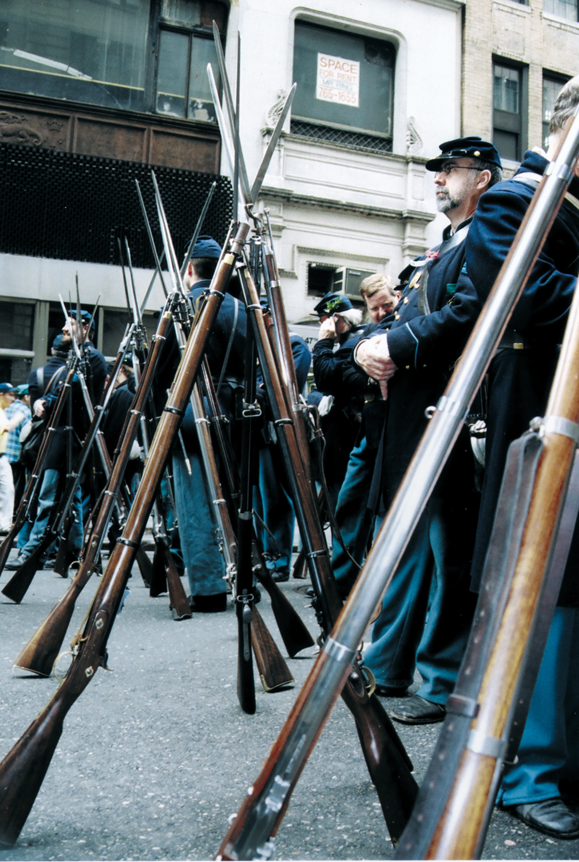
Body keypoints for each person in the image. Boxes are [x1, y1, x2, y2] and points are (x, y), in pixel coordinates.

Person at [464, 79, 579, 839]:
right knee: (545, 588)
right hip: (541, 407)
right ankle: (526, 770)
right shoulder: (516, 199)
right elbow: (518, 294)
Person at [354, 137, 502, 722]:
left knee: (449, 555)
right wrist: (375, 346)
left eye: (450, 170)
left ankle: (441, 681)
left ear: (482, 179)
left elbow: (465, 314)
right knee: (410, 550)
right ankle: (388, 662)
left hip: (450, 412)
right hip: (414, 419)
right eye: (437, 170)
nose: (438, 178)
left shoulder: (485, 238)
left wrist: (390, 343)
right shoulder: (444, 246)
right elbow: (416, 315)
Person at [168, 235, 246, 612]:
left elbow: (163, 370)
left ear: (189, 270)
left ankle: (210, 587)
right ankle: (245, 576)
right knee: (233, 497)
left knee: (195, 500)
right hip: (234, 415)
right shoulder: (242, 309)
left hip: (190, 413)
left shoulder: (184, 305)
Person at [7, 312, 106, 570]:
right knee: (68, 498)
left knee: (48, 496)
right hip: (62, 434)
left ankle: (32, 552)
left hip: (70, 436)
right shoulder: (76, 357)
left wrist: (46, 402)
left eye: (70, 324)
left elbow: (68, 390)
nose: (63, 328)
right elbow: (59, 390)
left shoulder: (90, 357)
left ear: (85, 328)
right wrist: (42, 401)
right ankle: (75, 552)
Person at [331, 273, 398, 598]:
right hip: (368, 432)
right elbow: (334, 370)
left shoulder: (409, 322)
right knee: (349, 505)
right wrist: (362, 362)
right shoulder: (364, 335)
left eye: (387, 304)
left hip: (399, 431)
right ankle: (340, 585)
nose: (383, 312)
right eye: (376, 308)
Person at [253, 330, 311, 582]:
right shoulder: (254, 345)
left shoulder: (293, 343)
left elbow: (285, 384)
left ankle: (279, 558)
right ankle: (266, 555)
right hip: (258, 432)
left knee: (275, 498)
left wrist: (257, 390)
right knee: (258, 500)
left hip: (279, 431)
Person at [311, 292, 364, 513]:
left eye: (324, 321)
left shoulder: (352, 343)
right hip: (341, 437)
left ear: (335, 319)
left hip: (346, 436)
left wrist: (323, 342)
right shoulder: (346, 343)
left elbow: (324, 378)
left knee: (342, 503)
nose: (321, 326)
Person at [4, 383, 31, 508]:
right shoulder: (25, 411)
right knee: (13, 489)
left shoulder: (5, 407)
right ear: (26, 397)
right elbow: (26, 434)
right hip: (15, 456)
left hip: (3, 455)